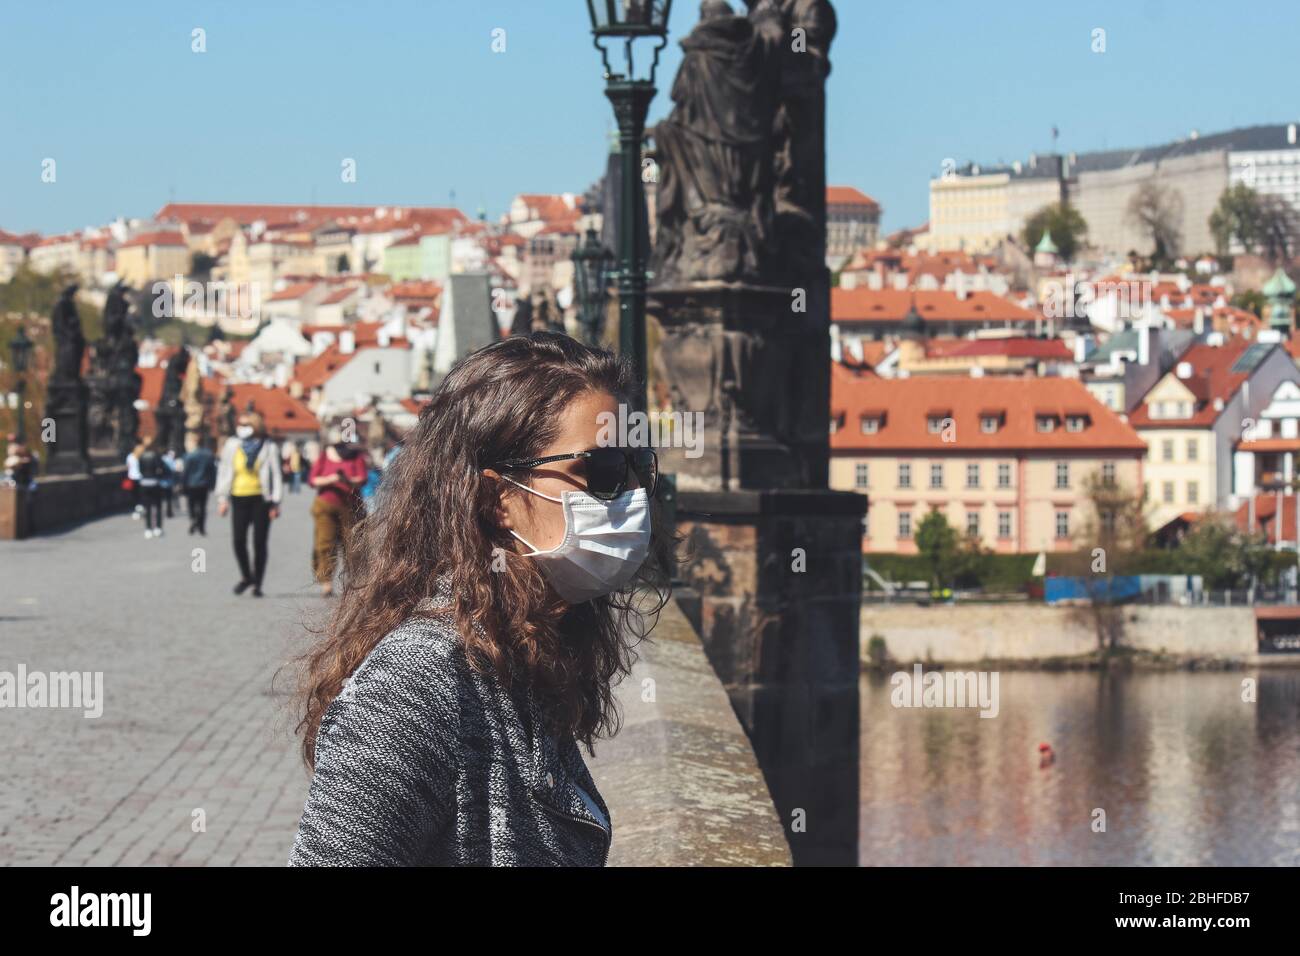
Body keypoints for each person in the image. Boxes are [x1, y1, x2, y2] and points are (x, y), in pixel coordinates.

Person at [288, 332, 671, 867]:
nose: (630, 496)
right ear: (497, 499)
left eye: (637, 468)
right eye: (602, 471)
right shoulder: (415, 683)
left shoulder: (523, 649)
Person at [216, 411, 283, 597]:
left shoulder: (268, 446)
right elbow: (224, 470)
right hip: (238, 497)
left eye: (246, 424)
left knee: (259, 542)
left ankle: (258, 584)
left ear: (256, 426)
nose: (241, 428)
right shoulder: (232, 445)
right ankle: (246, 576)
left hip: (262, 499)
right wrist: (222, 499)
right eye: (240, 424)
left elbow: (276, 474)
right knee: (238, 540)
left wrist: (276, 502)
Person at [309, 435, 369, 597]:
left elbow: (362, 479)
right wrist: (331, 479)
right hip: (325, 504)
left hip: (351, 507)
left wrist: (348, 480)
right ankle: (326, 583)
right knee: (325, 543)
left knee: (352, 544)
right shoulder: (325, 456)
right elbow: (313, 479)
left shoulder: (356, 456)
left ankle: (354, 581)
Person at [181, 435, 218, 536]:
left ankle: (193, 519)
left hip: (191, 484)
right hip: (203, 484)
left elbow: (186, 472)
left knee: (191, 505)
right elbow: (213, 471)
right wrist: (213, 483)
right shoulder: (208, 454)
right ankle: (201, 527)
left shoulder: (189, 456)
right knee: (202, 506)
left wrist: (183, 485)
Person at [136, 437, 167, 538]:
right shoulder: (156, 456)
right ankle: (158, 528)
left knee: (147, 507)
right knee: (157, 506)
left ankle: (148, 528)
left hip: (144, 483)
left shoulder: (141, 456)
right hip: (154, 483)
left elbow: (140, 469)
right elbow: (161, 469)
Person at [125, 443, 144, 519]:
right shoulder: (141, 457)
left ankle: (136, 510)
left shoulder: (129, 456)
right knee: (140, 495)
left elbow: (128, 466)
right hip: (140, 477)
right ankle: (139, 508)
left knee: (134, 495)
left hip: (131, 477)